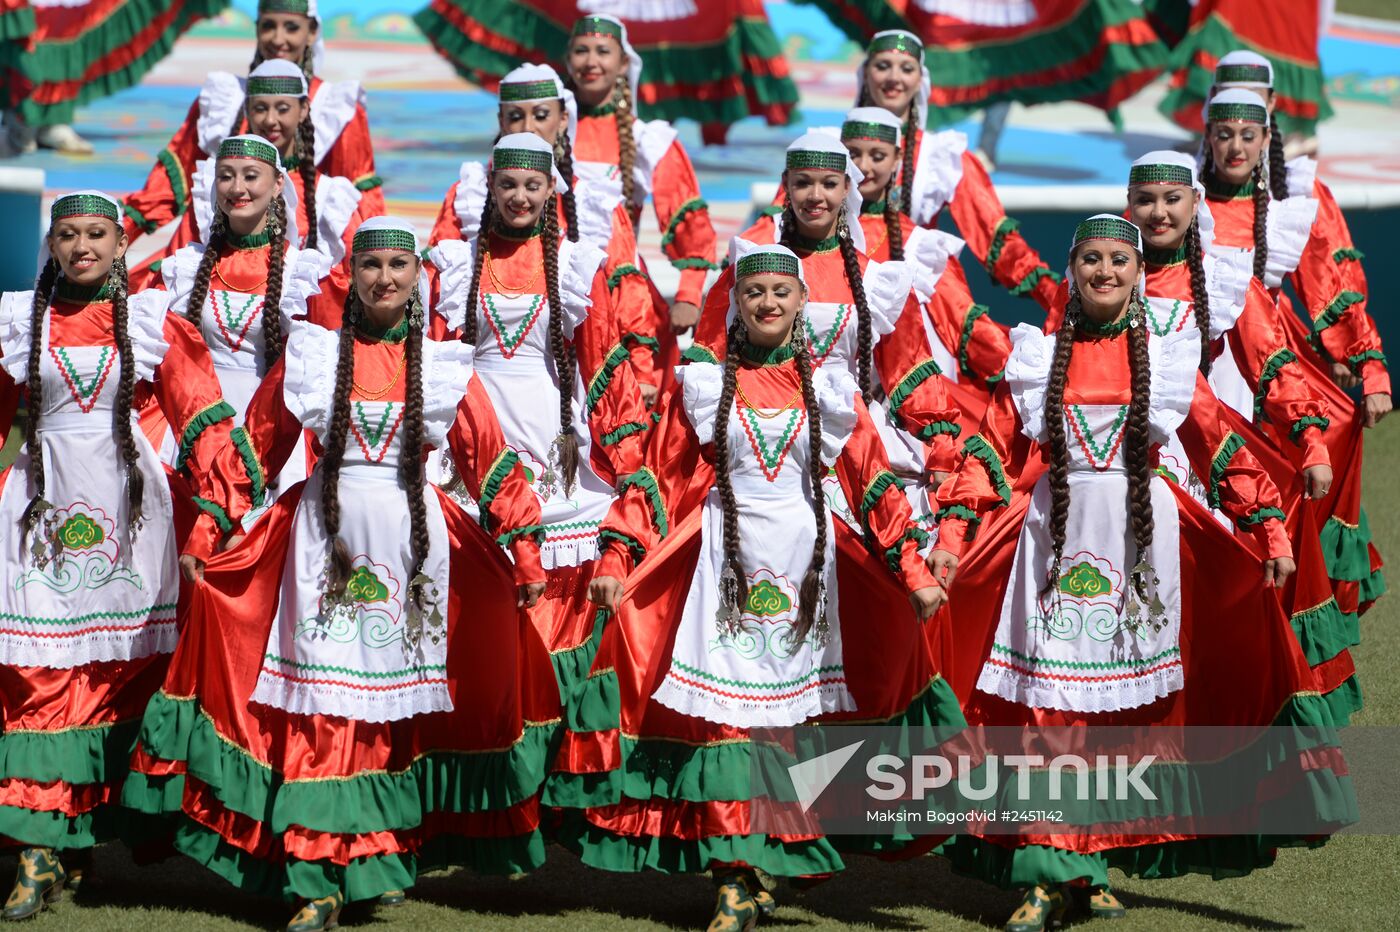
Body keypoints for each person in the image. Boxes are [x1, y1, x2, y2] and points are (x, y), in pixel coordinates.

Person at [122, 217, 557, 932]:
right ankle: (317, 875)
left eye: (398, 265)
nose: (385, 278)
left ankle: (367, 857)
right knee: (325, 707)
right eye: (371, 265)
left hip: (418, 552)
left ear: (418, 275)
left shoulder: (447, 366)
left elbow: (490, 460)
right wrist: (209, 527)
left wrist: (527, 548)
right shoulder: (314, 356)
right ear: (350, 276)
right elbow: (256, 451)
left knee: (387, 714)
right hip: (320, 545)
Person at [930, 214, 1353, 929]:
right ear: (1073, 271)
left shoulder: (1166, 358)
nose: (1103, 272)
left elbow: (1221, 449)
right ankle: (1047, 864)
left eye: (1117, 262)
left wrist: (1270, 528)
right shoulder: (1038, 358)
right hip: (1050, 548)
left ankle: (1085, 859)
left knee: (1116, 720)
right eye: (1090, 260)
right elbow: (987, 451)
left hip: (1143, 552)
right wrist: (950, 534)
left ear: (1136, 272)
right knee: (1049, 709)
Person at [551, 243, 959, 930]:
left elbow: (874, 484)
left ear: (803, 303)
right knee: (727, 722)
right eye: (754, 292)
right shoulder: (707, 387)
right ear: (736, 305)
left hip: (809, 573)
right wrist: (618, 559)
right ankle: (734, 874)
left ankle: (764, 854)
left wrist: (913, 571)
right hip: (724, 571)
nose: (768, 302)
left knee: (786, 727)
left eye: (782, 291)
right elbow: (658, 477)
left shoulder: (830, 391)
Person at [0, 190, 240, 918]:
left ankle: (77, 845)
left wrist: (220, 512)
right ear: (53, 244)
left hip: (132, 517)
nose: (82, 247)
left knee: (114, 675)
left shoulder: (151, 321)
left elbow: (202, 418)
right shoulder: (17, 321)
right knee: (37, 673)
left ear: (120, 242)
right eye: (68, 234)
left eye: (96, 234)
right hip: (39, 514)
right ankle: (39, 852)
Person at [428, 134, 650, 706]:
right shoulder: (457, 263)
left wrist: (627, 465)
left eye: (532, 185)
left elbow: (603, 368)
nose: (520, 196)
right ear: (491, 188)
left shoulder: (576, 265)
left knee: (553, 604)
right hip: (471, 433)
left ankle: (551, 722)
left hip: (553, 437)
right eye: (508, 184)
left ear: (552, 189)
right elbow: (436, 358)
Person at [691, 132, 964, 539]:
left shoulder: (876, 281)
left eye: (828, 184)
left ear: (847, 189)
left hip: (856, 448)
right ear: (787, 186)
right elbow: (706, 365)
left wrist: (942, 451)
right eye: (802, 183)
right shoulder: (750, 271)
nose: (814, 195)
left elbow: (912, 376)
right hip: (762, 441)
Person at [1199, 88, 1387, 614]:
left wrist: (1366, 364)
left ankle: (1279, 600)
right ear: (1208, 132)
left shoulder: (1288, 205)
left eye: (1247, 135)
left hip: (1268, 355)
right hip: (1201, 365)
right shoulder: (1183, 203)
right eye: (1224, 133)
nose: (1235, 146)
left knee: (1290, 469)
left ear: (1267, 133)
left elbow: (1328, 283)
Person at [425, 62, 656, 403]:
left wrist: (640, 368)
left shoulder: (596, 199)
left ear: (563, 119)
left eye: (541, 115)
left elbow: (625, 287)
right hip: (478, 376)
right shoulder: (469, 193)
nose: (528, 127)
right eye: (516, 116)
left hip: (576, 373)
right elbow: (437, 289)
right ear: (501, 122)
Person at [151, 134, 332, 522]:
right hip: (195, 422)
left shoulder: (304, 271)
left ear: (278, 184)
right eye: (226, 176)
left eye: (251, 176)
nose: (237, 188)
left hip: (271, 425)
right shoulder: (187, 266)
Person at [121, 0, 382, 243]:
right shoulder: (223, 98)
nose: (278, 39)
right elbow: (172, 179)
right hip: (218, 245)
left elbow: (360, 196)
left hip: (304, 246)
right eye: (269, 26)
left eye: (291, 27)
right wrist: (119, 233)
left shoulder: (335, 105)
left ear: (312, 32)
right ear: (257, 29)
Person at [853, 29, 1063, 309]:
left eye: (906, 68)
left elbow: (993, 237)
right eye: (882, 66)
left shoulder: (940, 155)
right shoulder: (829, 147)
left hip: (915, 298)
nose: (894, 78)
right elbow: (784, 223)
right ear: (866, 74)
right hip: (843, 287)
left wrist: (1058, 299)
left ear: (920, 81)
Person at [562, 13, 719, 383]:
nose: (591, 61)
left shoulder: (646, 138)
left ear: (623, 64)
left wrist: (689, 293)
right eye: (581, 50)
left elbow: (686, 213)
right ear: (568, 61)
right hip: (553, 283)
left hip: (622, 291)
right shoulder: (546, 130)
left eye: (603, 50)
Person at [838, 105, 1011, 438]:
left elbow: (963, 319)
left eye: (877, 155)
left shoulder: (918, 245)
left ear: (896, 160)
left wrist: (1019, 373)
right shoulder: (809, 239)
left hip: (905, 408)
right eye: (853, 154)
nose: (864, 166)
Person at [130, 61, 373, 282]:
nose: (270, 120)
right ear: (247, 110)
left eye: (282, 109)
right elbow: (181, 264)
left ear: (303, 110)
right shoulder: (212, 188)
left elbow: (350, 282)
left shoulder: (330, 197)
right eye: (260, 108)